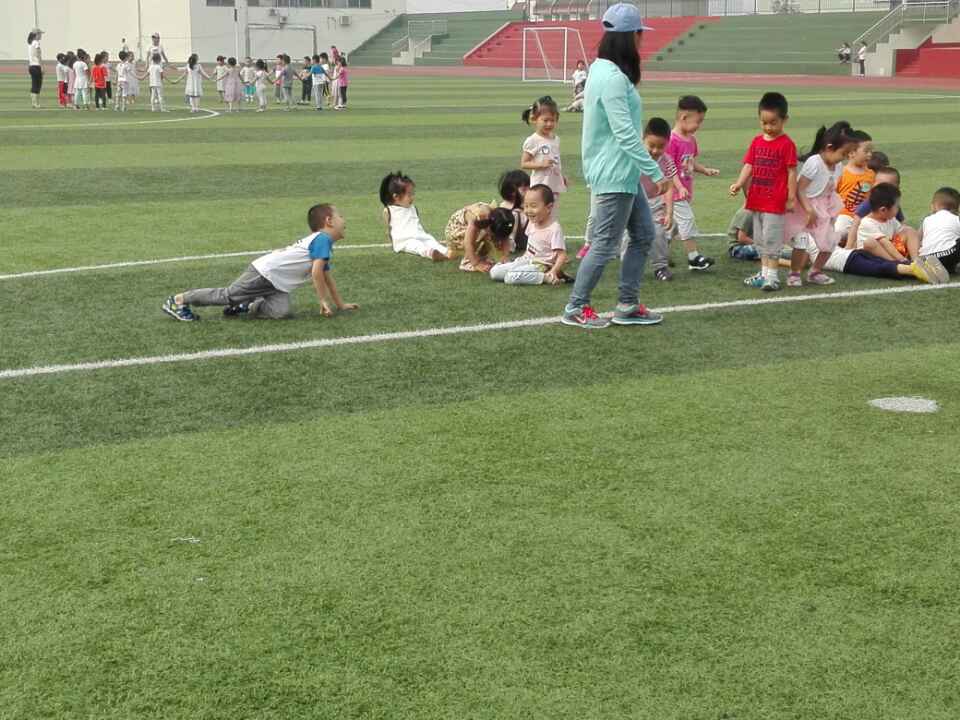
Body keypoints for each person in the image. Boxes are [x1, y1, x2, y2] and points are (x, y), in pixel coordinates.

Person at [561, 3, 669, 329]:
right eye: (639, 34)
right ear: (630, 36)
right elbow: (624, 134)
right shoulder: (612, 78)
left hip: (623, 174)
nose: (641, 40)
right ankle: (576, 306)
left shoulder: (602, 70)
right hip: (615, 174)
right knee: (605, 244)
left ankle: (628, 303)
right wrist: (656, 172)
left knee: (643, 234)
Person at [162, 204, 358, 322]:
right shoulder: (322, 239)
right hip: (264, 273)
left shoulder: (322, 243)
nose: (344, 220)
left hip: (277, 283)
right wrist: (323, 300)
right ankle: (178, 300)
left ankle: (246, 305)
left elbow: (326, 276)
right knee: (227, 295)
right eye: (340, 216)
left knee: (281, 312)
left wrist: (340, 304)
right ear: (329, 221)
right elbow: (316, 273)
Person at [729, 91, 798, 292]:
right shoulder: (757, 141)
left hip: (774, 201)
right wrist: (738, 183)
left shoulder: (787, 144)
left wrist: (791, 197)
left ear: (784, 120)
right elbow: (749, 165)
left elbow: (791, 172)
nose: (768, 127)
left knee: (772, 239)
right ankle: (764, 274)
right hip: (757, 200)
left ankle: (773, 277)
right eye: (764, 122)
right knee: (760, 240)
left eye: (773, 123)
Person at [784, 121, 856, 287]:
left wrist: (830, 212)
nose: (845, 158)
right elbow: (800, 189)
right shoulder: (814, 162)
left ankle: (815, 271)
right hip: (804, 208)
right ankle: (794, 273)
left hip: (824, 208)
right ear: (829, 147)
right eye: (843, 153)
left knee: (829, 242)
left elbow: (830, 189)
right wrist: (809, 209)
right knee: (801, 241)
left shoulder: (838, 166)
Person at [667, 95, 719, 271]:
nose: (699, 125)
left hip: (684, 192)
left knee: (672, 227)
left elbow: (690, 162)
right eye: (698, 121)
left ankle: (660, 254)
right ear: (684, 117)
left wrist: (704, 170)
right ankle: (693, 258)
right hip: (674, 193)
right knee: (687, 220)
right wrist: (680, 186)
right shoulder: (671, 140)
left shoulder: (691, 139)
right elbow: (669, 168)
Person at [491, 185, 570, 285]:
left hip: (541, 265)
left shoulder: (554, 229)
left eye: (533, 206)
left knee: (510, 277)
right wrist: (518, 261)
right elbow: (530, 246)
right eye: (526, 206)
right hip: (527, 260)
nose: (528, 210)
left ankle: (546, 277)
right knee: (494, 272)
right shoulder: (532, 223)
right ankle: (522, 271)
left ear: (549, 207)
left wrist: (553, 271)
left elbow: (562, 255)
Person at [640, 117, 680, 282]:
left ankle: (660, 267)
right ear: (643, 140)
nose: (655, 151)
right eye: (651, 145)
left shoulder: (667, 161)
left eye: (661, 146)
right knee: (629, 238)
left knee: (658, 232)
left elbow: (669, 187)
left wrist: (669, 212)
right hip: (634, 202)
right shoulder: (636, 158)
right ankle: (631, 266)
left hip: (655, 203)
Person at [379, 171, 449, 261]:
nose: (412, 197)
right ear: (396, 197)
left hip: (420, 235)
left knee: (431, 241)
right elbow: (389, 228)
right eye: (409, 195)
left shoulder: (413, 208)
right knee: (416, 246)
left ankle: (446, 252)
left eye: (412, 194)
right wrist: (393, 242)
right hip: (404, 241)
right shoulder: (389, 210)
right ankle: (431, 253)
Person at [520, 96, 567, 224]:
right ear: (534, 119)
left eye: (553, 120)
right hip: (539, 187)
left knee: (552, 215)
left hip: (553, 185)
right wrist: (541, 165)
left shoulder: (555, 139)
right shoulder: (533, 140)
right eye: (545, 120)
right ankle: (533, 236)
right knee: (538, 217)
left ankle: (548, 235)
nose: (549, 124)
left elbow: (555, 161)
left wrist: (561, 177)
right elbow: (524, 163)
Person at [855, 183, 921, 263]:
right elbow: (885, 243)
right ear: (883, 210)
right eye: (896, 207)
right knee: (869, 243)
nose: (898, 209)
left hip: (890, 251)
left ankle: (916, 261)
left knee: (909, 230)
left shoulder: (890, 219)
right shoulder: (867, 223)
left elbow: (901, 233)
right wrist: (902, 259)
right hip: (873, 257)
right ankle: (898, 263)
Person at [443, 203, 516, 272]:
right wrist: (476, 264)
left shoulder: (499, 218)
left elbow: (505, 238)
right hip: (455, 231)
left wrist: (505, 256)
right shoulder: (477, 218)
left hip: (474, 229)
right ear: (489, 226)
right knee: (483, 235)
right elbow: (468, 242)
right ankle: (467, 262)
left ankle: (481, 257)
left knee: (486, 235)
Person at [834, 130, 875, 239]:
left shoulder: (871, 174)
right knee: (839, 232)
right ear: (851, 153)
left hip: (864, 216)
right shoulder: (841, 172)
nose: (870, 154)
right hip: (844, 215)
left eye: (871, 151)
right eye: (866, 151)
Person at [918, 187, 960, 277]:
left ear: (933, 206)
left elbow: (918, 239)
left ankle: (942, 268)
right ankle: (947, 266)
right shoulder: (957, 219)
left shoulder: (927, 219)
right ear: (957, 209)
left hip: (926, 257)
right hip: (948, 256)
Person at [497, 169, 531, 253]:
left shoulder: (527, 204)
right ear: (512, 192)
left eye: (529, 187)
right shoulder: (507, 209)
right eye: (524, 189)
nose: (529, 191)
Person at [28, 29, 43, 108]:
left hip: (31, 66)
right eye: (40, 34)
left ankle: (34, 102)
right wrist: (42, 66)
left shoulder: (30, 43)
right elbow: (38, 55)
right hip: (36, 66)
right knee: (37, 85)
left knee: (34, 84)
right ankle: (36, 103)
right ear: (36, 35)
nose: (41, 35)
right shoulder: (36, 43)